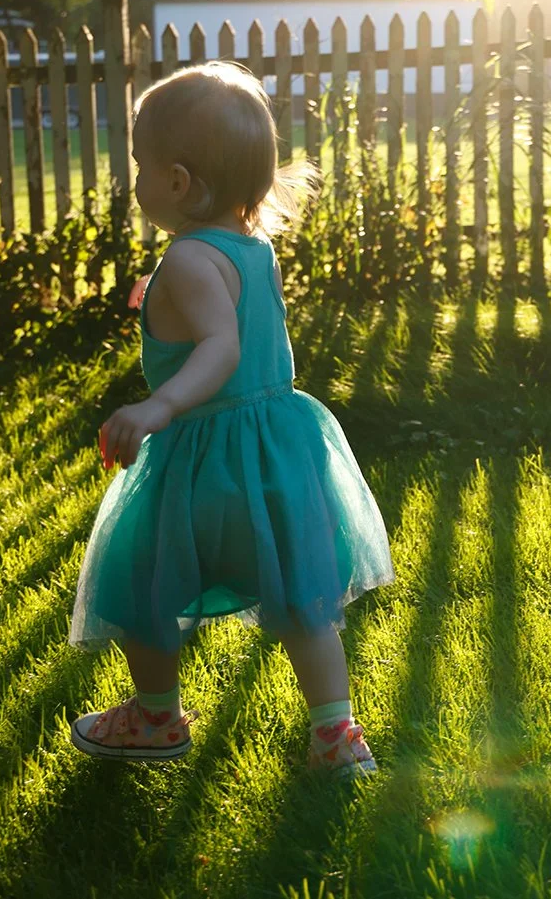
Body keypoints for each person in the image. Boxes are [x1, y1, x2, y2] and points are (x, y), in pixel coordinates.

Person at [66, 61, 393, 777]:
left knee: (147, 580)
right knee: (304, 599)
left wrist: (158, 404)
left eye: (139, 166)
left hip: (206, 456)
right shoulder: (250, 245)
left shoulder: (187, 258)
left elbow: (222, 345)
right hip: (277, 447)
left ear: (178, 182)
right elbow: (236, 328)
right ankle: (335, 733)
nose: (135, 181)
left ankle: (155, 717)